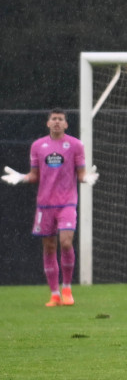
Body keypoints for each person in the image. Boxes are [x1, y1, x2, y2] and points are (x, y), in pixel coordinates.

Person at [2, 108, 99, 306]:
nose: (56, 122)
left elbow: (80, 174)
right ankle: (54, 294)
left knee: (65, 242)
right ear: (48, 123)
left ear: (66, 124)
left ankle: (67, 289)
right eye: (53, 119)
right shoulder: (38, 146)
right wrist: (21, 178)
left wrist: (86, 178)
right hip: (45, 204)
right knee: (49, 246)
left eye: (60, 119)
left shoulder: (75, 145)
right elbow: (34, 175)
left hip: (67, 203)